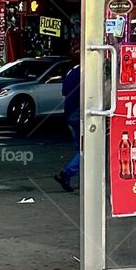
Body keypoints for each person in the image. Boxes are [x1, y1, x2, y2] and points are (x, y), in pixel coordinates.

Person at [54, 58, 81, 192]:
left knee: (79, 147)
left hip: (69, 111)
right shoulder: (86, 72)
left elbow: (64, 92)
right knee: (87, 150)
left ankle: (79, 178)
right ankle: (67, 172)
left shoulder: (72, 71)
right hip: (79, 112)